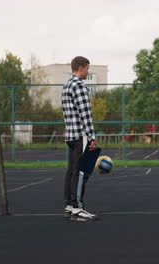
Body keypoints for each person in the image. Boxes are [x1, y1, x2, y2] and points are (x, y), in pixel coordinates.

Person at [62, 56, 98, 222]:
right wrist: (92, 136)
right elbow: (85, 114)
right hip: (80, 135)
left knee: (71, 171)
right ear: (81, 67)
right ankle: (77, 207)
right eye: (87, 69)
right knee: (82, 172)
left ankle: (69, 206)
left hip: (70, 135)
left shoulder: (66, 85)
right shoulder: (79, 86)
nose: (87, 72)